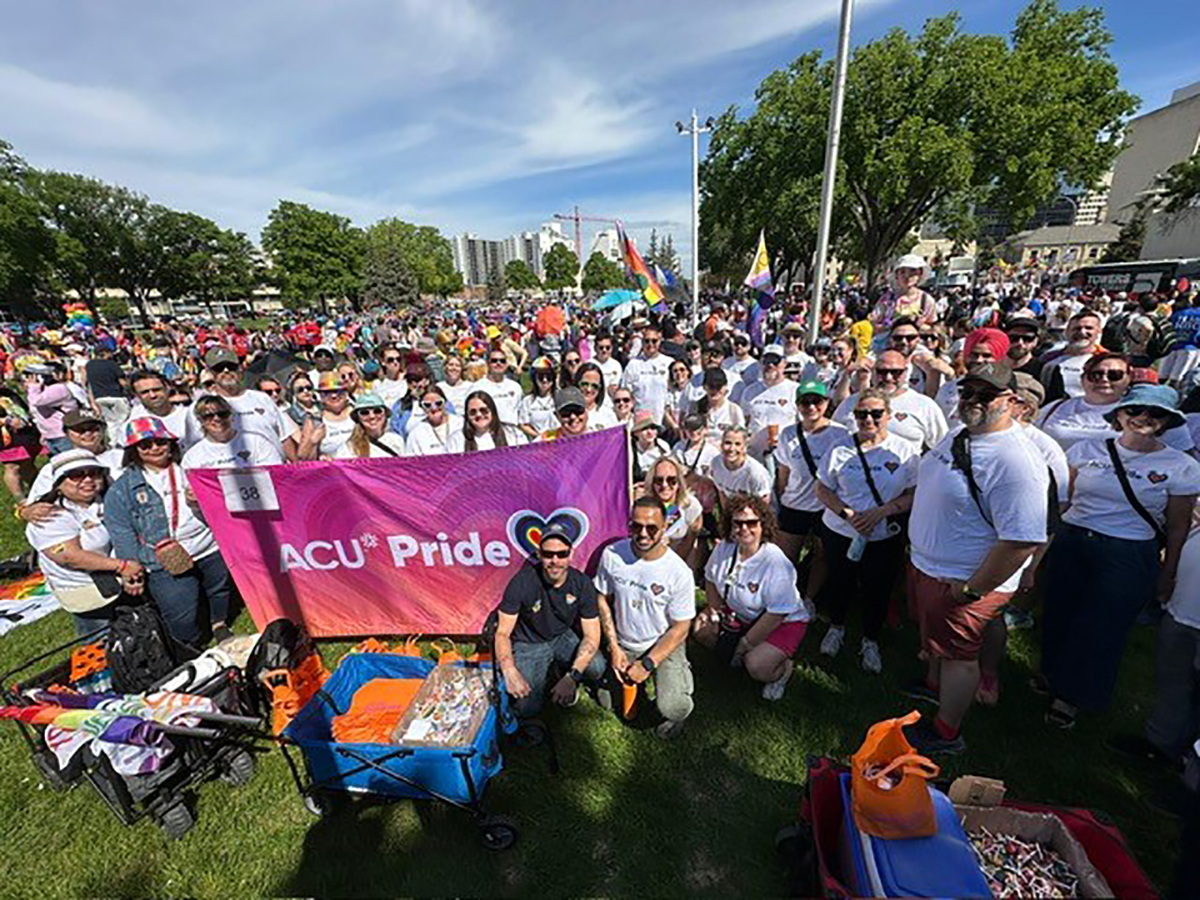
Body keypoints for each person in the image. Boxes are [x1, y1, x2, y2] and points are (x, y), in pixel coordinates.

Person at [906, 363, 1049, 754]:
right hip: (930, 565)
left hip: (963, 578)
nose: (971, 401)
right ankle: (933, 688)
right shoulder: (959, 435)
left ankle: (946, 732)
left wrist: (972, 589)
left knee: (959, 657)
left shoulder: (1017, 461)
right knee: (940, 645)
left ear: (1013, 402)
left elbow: (1021, 540)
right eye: (967, 392)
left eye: (985, 395)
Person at [1041, 385, 1200, 729]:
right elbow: (1065, 501)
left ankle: (1072, 697)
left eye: (1155, 414)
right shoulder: (1087, 449)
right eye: (1135, 410)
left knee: (1102, 627)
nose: (1143, 418)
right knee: (1059, 612)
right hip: (1073, 541)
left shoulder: (1180, 465)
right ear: (1120, 414)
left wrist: (1167, 572)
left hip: (1127, 553)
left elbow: (1177, 526)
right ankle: (1052, 674)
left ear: (1166, 422)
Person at [106, 417, 235, 648]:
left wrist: (202, 501)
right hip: (162, 558)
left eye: (161, 442)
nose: (155, 448)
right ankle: (189, 644)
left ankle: (219, 623)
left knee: (218, 589)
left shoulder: (193, 469)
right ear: (133, 451)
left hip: (208, 545)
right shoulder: (122, 488)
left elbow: (226, 505)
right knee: (181, 612)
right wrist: (131, 567)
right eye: (145, 445)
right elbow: (121, 529)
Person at [815, 388, 918, 673]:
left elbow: (913, 493)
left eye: (875, 413)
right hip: (841, 530)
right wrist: (847, 514)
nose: (868, 419)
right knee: (840, 581)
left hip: (883, 534)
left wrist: (881, 512)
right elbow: (822, 488)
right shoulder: (839, 448)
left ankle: (870, 639)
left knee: (878, 587)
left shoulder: (905, 451)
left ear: (888, 415)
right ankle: (836, 627)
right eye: (862, 414)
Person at [594, 496, 696, 739]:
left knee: (673, 707)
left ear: (664, 528)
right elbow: (601, 599)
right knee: (607, 702)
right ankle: (635, 678)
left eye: (651, 528)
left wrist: (648, 663)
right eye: (636, 526)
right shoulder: (612, 554)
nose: (643, 533)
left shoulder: (678, 572)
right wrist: (614, 647)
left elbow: (682, 627)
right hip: (624, 642)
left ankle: (681, 678)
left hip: (661, 643)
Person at [695, 494, 809, 699]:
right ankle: (739, 652)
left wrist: (744, 645)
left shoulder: (776, 563)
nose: (744, 528)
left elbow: (776, 615)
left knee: (756, 666)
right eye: (738, 523)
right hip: (739, 614)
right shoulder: (724, 548)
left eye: (751, 523)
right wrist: (716, 612)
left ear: (763, 525)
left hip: (782, 622)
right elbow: (710, 579)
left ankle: (783, 670)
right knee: (701, 630)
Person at [25, 449, 145, 635]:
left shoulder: (107, 500)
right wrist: (123, 566)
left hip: (123, 579)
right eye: (76, 475)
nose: (88, 479)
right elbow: (69, 556)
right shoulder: (49, 516)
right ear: (59, 484)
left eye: (94, 473)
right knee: (101, 641)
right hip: (86, 589)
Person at [494, 522, 606, 717]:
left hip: (562, 637)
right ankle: (552, 675)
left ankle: (563, 676)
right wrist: (509, 670)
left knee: (597, 667)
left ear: (570, 554)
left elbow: (592, 636)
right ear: (539, 554)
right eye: (548, 554)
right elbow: (502, 632)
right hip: (529, 643)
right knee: (527, 709)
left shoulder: (582, 584)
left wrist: (572, 677)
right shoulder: (521, 582)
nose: (555, 560)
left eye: (561, 554)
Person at [775, 380, 851, 587]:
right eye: (804, 402)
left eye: (816, 401)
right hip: (795, 504)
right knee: (785, 558)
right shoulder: (788, 434)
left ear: (826, 403)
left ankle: (810, 599)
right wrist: (783, 497)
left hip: (825, 507)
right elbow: (783, 472)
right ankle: (783, 596)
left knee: (822, 556)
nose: (811, 407)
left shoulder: (841, 434)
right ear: (797, 405)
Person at [191, 347, 299, 459]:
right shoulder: (205, 407)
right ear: (211, 372)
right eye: (219, 368)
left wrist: (295, 467)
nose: (226, 371)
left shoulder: (263, 398)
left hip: (272, 469)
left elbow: (284, 437)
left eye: (231, 367)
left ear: (240, 368)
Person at [834, 350, 948, 451]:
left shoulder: (924, 405)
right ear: (873, 372)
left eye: (896, 372)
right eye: (882, 372)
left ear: (905, 372)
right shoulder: (852, 403)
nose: (888, 378)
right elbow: (832, 439)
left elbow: (943, 447)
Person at [21, 410, 125, 519]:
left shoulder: (122, 456)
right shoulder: (56, 465)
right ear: (66, 433)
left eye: (93, 428)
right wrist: (25, 512)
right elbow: (33, 504)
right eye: (79, 430)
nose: (87, 433)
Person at [1036, 352, 1131, 452]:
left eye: (1114, 375)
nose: (1104, 379)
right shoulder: (1054, 407)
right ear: (1082, 379)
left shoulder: (1137, 412)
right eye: (1096, 375)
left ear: (1128, 379)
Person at [182, 394, 284, 469]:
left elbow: (276, 473)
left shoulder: (258, 443)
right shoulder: (192, 457)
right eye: (209, 416)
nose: (217, 419)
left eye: (222, 414)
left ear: (231, 416)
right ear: (200, 420)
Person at [734, 343, 795, 460]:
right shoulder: (750, 391)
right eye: (766, 361)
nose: (770, 365)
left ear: (784, 364)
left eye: (775, 361)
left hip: (785, 457)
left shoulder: (794, 390)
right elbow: (744, 422)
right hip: (755, 456)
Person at [640, 456, 702, 565]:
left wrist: (672, 566)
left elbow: (689, 543)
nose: (665, 485)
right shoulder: (644, 506)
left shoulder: (691, 506)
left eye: (671, 480)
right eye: (659, 480)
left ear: (679, 482)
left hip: (680, 562)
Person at [1041, 310, 1103, 401]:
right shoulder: (1048, 358)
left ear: (1098, 332)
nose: (1082, 332)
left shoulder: (1106, 360)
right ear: (1067, 332)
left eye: (1088, 328)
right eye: (1077, 328)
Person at [24, 363, 81, 456]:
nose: (26, 380)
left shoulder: (58, 389)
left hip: (63, 435)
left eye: (29, 376)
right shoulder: (40, 391)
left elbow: (37, 402)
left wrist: (33, 386)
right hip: (51, 436)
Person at [621, 325, 672, 425]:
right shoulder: (633, 364)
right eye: (647, 341)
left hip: (664, 420)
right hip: (640, 421)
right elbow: (625, 392)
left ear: (660, 341)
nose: (650, 344)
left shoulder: (669, 363)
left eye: (654, 341)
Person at [709, 425, 771, 504]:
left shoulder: (756, 473)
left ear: (744, 447)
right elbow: (722, 493)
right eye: (728, 443)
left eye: (737, 444)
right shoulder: (716, 463)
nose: (732, 448)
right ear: (721, 445)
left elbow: (764, 502)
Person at [334, 393, 406, 459]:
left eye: (377, 411)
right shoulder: (349, 448)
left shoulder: (397, 440)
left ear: (385, 414)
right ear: (358, 418)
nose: (372, 416)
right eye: (364, 412)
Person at [450, 391, 526, 453]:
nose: (479, 415)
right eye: (473, 412)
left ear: (492, 410)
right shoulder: (457, 439)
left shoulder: (512, 433)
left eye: (483, 410)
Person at [84, 346, 129, 449]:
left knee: (111, 423)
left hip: (99, 397)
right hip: (116, 396)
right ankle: (124, 444)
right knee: (123, 421)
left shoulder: (89, 365)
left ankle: (114, 444)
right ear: (105, 353)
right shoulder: (112, 364)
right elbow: (123, 382)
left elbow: (86, 382)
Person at [404, 386, 460, 456]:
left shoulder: (460, 424)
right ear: (422, 407)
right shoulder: (416, 433)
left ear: (445, 403)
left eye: (438, 403)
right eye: (427, 405)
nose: (434, 408)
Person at [479, 348, 523, 428]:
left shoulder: (515, 387)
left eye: (502, 361)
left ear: (506, 364)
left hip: (512, 433)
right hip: (489, 431)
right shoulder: (478, 387)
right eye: (494, 361)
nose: (498, 363)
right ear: (488, 363)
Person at [518, 357, 558, 440]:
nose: (544, 380)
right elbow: (523, 424)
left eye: (549, 377)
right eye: (540, 377)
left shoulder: (560, 398)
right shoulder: (528, 401)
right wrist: (540, 436)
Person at [574, 363, 617, 428]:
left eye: (594, 386)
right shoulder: (564, 413)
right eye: (584, 384)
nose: (589, 390)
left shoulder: (608, 415)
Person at [631, 411, 670, 480]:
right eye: (644, 429)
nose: (650, 432)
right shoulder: (630, 449)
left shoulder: (663, 447)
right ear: (636, 433)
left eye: (652, 428)